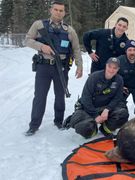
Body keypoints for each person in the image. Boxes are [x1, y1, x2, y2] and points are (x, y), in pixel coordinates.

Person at [24, 1, 83, 136]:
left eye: (61, 10)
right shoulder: (39, 25)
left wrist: (79, 66)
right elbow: (27, 40)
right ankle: (34, 125)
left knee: (60, 96)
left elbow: (76, 49)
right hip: (43, 66)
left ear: (64, 13)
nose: (58, 12)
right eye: (56, 9)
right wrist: (41, 47)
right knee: (39, 96)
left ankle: (58, 121)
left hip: (61, 68)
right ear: (51, 10)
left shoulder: (69, 30)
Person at [63, 57, 129, 139]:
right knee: (85, 128)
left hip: (105, 108)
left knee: (122, 114)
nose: (111, 70)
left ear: (118, 69)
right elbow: (86, 98)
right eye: (110, 66)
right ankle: (91, 128)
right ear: (106, 66)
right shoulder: (94, 77)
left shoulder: (119, 79)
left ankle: (105, 128)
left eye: (115, 68)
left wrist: (107, 109)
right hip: (89, 108)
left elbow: (118, 98)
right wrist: (95, 116)